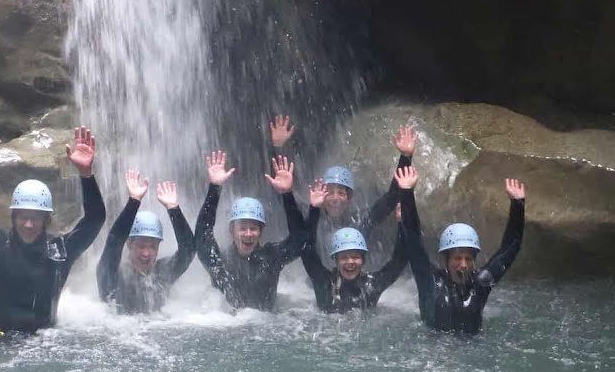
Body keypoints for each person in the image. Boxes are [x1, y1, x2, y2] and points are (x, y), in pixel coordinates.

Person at [0, 119, 105, 333]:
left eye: (35, 218)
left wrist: (86, 175)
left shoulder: (60, 251)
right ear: (13, 217)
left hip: (42, 344)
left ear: (46, 220)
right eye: (23, 217)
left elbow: (94, 220)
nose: (28, 224)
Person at [404, 178, 526, 334]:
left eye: (468, 259)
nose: (463, 264)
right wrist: (407, 194)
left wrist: (518, 204)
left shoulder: (480, 284)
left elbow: (510, 248)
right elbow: (414, 244)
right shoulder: (431, 281)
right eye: (457, 258)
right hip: (433, 350)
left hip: (471, 349)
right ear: (447, 259)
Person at [269, 115, 416, 241]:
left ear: (349, 197)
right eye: (330, 192)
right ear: (321, 194)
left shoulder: (360, 221)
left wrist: (406, 157)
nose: (335, 198)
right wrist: (278, 147)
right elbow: (281, 191)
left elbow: (392, 197)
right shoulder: (310, 215)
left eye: (341, 193)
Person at [194, 151, 308, 311]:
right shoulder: (219, 262)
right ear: (231, 231)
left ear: (261, 231)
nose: (248, 234)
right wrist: (215, 188)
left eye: (253, 228)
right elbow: (201, 236)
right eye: (242, 228)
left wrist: (287, 194)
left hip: (266, 329)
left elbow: (299, 241)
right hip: (228, 327)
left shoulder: (271, 257)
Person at [300, 166, 421, 313]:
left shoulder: (371, 286)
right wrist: (314, 208)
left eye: (355, 257)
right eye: (344, 257)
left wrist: (403, 223)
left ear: (364, 259)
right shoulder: (324, 284)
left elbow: (400, 260)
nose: (350, 261)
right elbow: (306, 248)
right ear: (335, 259)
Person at [96, 171, 195, 314]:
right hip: (120, 333)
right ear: (129, 244)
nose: (146, 253)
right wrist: (134, 201)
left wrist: (173, 209)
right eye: (141, 246)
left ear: (159, 247)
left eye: (152, 247)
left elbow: (189, 251)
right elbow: (114, 242)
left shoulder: (163, 272)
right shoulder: (113, 273)